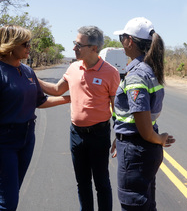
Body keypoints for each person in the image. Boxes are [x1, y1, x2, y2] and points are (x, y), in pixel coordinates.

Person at [38, 26, 120, 211]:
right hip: (76, 134)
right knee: (82, 183)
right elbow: (57, 90)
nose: (74, 48)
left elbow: (117, 107)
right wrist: (33, 78)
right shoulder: (73, 67)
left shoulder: (111, 72)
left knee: (101, 183)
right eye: (75, 43)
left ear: (93, 48)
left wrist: (119, 135)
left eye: (78, 44)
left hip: (99, 135)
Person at [0, 25, 70, 211]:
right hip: (4, 141)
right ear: (10, 45)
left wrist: (70, 99)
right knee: (8, 202)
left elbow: (40, 101)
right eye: (25, 43)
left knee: (13, 189)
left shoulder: (28, 71)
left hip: (27, 138)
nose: (29, 46)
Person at [111, 17, 175, 211]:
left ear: (130, 41)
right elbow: (133, 117)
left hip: (136, 150)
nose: (121, 42)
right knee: (146, 204)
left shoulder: (137, 74)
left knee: (134, 205)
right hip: (139, 148)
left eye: (122, 37)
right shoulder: (150, 69)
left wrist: (160, 139)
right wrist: (119, 136)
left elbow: (145, 130)